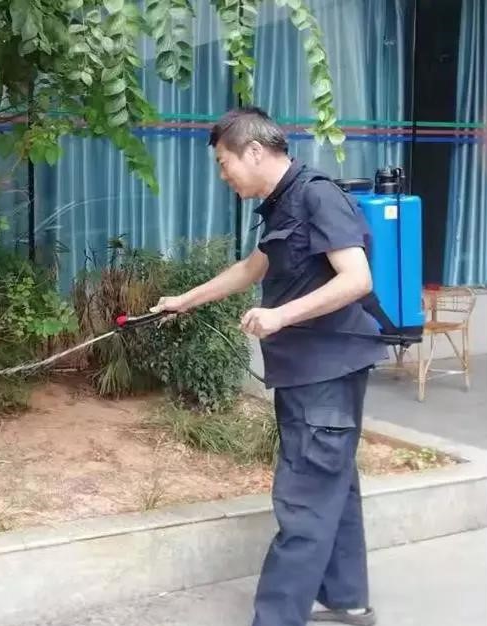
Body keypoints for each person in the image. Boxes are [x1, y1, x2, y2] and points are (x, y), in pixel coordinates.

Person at [151, 107, 387, 626]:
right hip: (309, 371)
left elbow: (356, 279)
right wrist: (185, 300)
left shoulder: (318, 195)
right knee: (333, 483)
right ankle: (348, 600)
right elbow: (251, 268)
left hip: (326, 370)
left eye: (223, 162)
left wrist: (280, 315)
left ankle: (277, 618)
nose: (223, 175)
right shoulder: (284, 203)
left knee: (305, 497)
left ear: (254, 151)